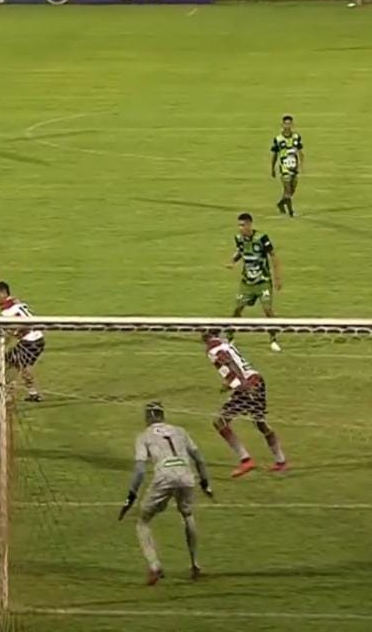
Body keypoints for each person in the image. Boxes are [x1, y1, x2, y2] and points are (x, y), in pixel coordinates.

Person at [118, 402, 212, 585]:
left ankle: (155, 566)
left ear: (147, 418)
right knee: (187, 515)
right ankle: (195, 564)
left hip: (164, 476)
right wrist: (205, 483)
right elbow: (199, 458)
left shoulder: (144, 436)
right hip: (186, 475)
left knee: (142, 521)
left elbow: (140, 470)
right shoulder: (180, 431)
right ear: (163, 415)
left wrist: (131, 497)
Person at [203, 330, 287, 477]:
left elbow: (230, 362)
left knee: (220, 422)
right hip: (257, 380)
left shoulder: (213, 349)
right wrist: (229, 383)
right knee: (259, 422)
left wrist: (242, 383)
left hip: (247, 385)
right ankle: (281, 462)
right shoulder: (226, 344)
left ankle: (246, 460)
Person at [226, 213, 283, 352]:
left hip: (263, 281)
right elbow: (241, 251)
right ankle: (229, 337)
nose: (240, 228)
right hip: (247, 282)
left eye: (243, 225)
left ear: (249, 224)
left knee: (267, 310)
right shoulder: (239, 238)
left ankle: (273, 339)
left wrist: (277, 278)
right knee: (238, 309)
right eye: (239, 225)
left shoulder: (262, 238)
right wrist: (233, 261)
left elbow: (273, 256)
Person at [0, 281, 45, 401]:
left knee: (10, 364)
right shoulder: (16, 303)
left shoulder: (7, 311)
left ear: (3, 293)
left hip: (30, 341)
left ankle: (8, 394)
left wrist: (4, 342)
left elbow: (17, 327)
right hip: (37, 339)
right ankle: (33, 394)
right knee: (21, 366)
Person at [270, 114, 304, 217]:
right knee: (288, 191)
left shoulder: (296, 137)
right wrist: (272, 168)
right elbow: (275, 154)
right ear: (282, 125)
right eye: (286, 124)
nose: (288, 126)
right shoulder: (278, 139)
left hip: (294, 168)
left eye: (289, 124)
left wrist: (301, 164)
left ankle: (281, 203)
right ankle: (291, 212)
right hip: (284, 169)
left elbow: (300, 151)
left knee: (292, 191)